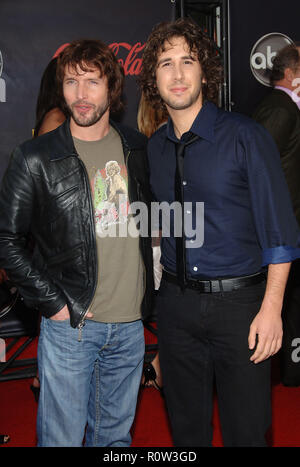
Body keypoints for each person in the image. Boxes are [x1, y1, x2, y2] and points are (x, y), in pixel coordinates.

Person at [139, 18, 300, 447]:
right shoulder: (154, 148)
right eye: (166, 63)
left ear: (204, 71)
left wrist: (272, 310)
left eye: (187, 61)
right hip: (176, 308)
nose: (177, 73)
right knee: (186, 431)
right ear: (154, 78)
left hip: (241, 309)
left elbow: (280, 230)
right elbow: (168, 226)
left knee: (246, 432)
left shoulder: (246, 136)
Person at [0, 39, 154, 447]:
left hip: (130, 327)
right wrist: (53, 304)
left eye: (92, 82)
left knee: (115, 440)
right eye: (71, 82)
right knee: (61, 440)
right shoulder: (34, 157)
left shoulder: (136, 148)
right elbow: (6, 240)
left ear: (113, 88)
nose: (81, 95)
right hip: (72, 326)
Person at [253, 43, 300, 387]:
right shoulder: (280, 110)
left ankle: (290, 368)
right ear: (291, 74)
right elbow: (256, 171)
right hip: (279, 226)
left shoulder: (286, 107)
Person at [30, 57, 68, 402]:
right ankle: (47, 377)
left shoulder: (55, 116)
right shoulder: (56, 119)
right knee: (56, 307)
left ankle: (47, 376)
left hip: (54, 233)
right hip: (54, 234)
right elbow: (48, 184)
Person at [137, 93, 168, 392]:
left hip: (153, 239)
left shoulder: (144, 141)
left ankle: (156, 366)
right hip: (162, 240)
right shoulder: (166, 139)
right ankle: (156, 367)